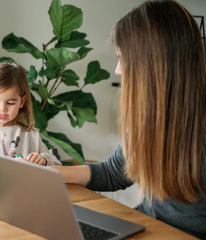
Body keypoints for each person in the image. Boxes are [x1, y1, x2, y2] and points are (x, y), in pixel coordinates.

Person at [51, 1, 206, 238]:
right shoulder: (147, 114)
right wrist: (52, 174)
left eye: (123, 58)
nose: (118, 70)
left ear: (154, 63)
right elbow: (116, 171)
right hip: (147, 226)